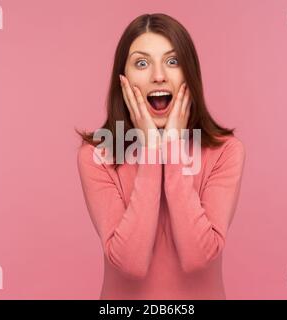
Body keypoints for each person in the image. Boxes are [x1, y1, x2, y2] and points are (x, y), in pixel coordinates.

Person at [75, 13, 246, 299]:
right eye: (142, 63)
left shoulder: (226, 151)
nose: (158, 75)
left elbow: (198, 258)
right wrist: (153, 153)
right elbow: (130, 264)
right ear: (123, 80)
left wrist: (173, 151)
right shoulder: (97, 155)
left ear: (190, 73)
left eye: (172, 61)